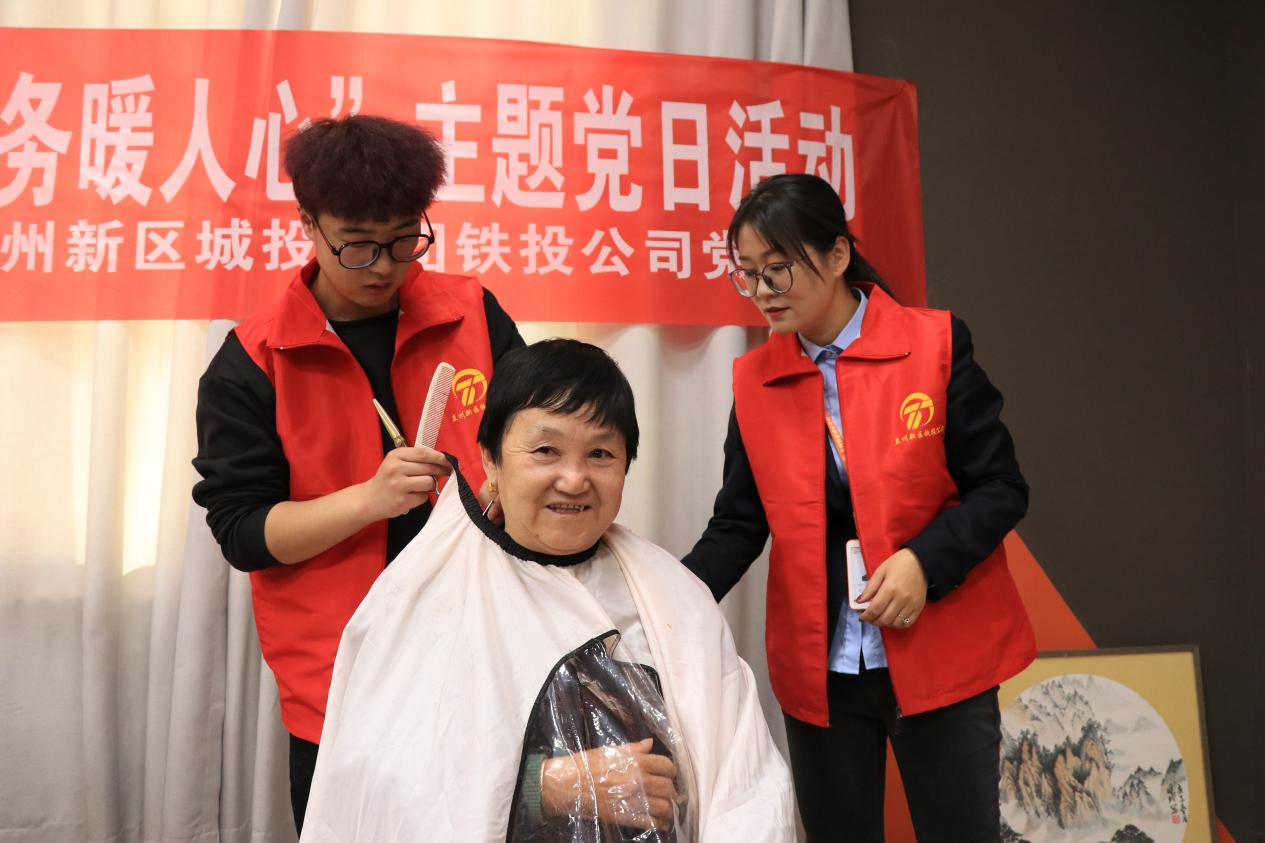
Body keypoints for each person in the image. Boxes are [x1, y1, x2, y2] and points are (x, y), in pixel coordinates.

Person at [300, 339, 795, 842]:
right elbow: (376, 785)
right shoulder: (426, 595)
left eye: (600, 454)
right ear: (491, 460)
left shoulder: (674, 598)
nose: (574, 479)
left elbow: (748, 788)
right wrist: (546, 786)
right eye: (545, 451)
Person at [191, 114, 524, 833]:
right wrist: (369, 500)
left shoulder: (471, 312)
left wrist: (509, 486)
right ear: (307, 223)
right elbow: (243, 531)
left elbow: (527, 437)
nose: (383, 266)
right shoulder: (254, 359)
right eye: (358, 243)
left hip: (480, 651)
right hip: (341, 675)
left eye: (404, 239)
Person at [682, 173, 1036, 842]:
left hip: (939, 651)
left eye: (778, 269)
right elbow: (737, 525)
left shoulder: (934, 345)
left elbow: (1000, 487)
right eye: (747, 274)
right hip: (822, 672)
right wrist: (662, 597)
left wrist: (923, 561)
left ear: (838, 253)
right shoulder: (754, 380)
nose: (762, 291)